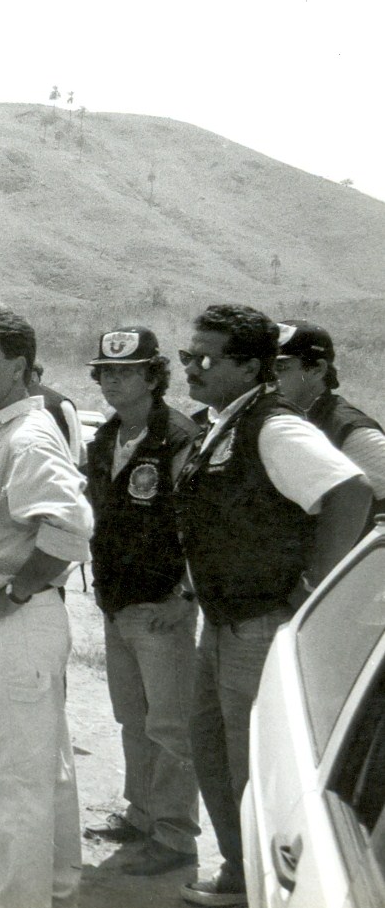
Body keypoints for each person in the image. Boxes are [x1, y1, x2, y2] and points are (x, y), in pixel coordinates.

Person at [174, 304, 372, 906]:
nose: (192, 368)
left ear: (250, 366)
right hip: (224, 621)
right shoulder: (226, 421)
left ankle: (261, 886)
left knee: (252, 764)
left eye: (206, 358)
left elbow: (350, 491)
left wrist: (314, 587)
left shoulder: (272, 426)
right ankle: (239, 874)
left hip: (260, 624)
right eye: (188, 355)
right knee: (212, 748)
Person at [0, 299, 93, 908]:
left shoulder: (28, 437)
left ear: (20, 367)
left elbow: (70, 529)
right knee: (42, 769)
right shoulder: (5, 430)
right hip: (17, 622)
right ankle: (52, 888)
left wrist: (16, 590)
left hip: (15, 621)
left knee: (12, 777)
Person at [79, 327, 201, 877]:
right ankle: (141, 812)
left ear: (153, 377)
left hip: (160, 603)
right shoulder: (107, 437)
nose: (112, 381)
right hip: (118, 601)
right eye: (105, 371)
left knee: (170, 726)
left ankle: (175, 836)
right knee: (133, 718)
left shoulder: (178, 437)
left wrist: (187, 594)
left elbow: (199, 524)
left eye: (125, 371)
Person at [274, 319, 385, 534]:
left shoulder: (350, 431)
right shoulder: (276, 417)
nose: (268, 378)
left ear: (317, 369)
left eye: (280, 368)